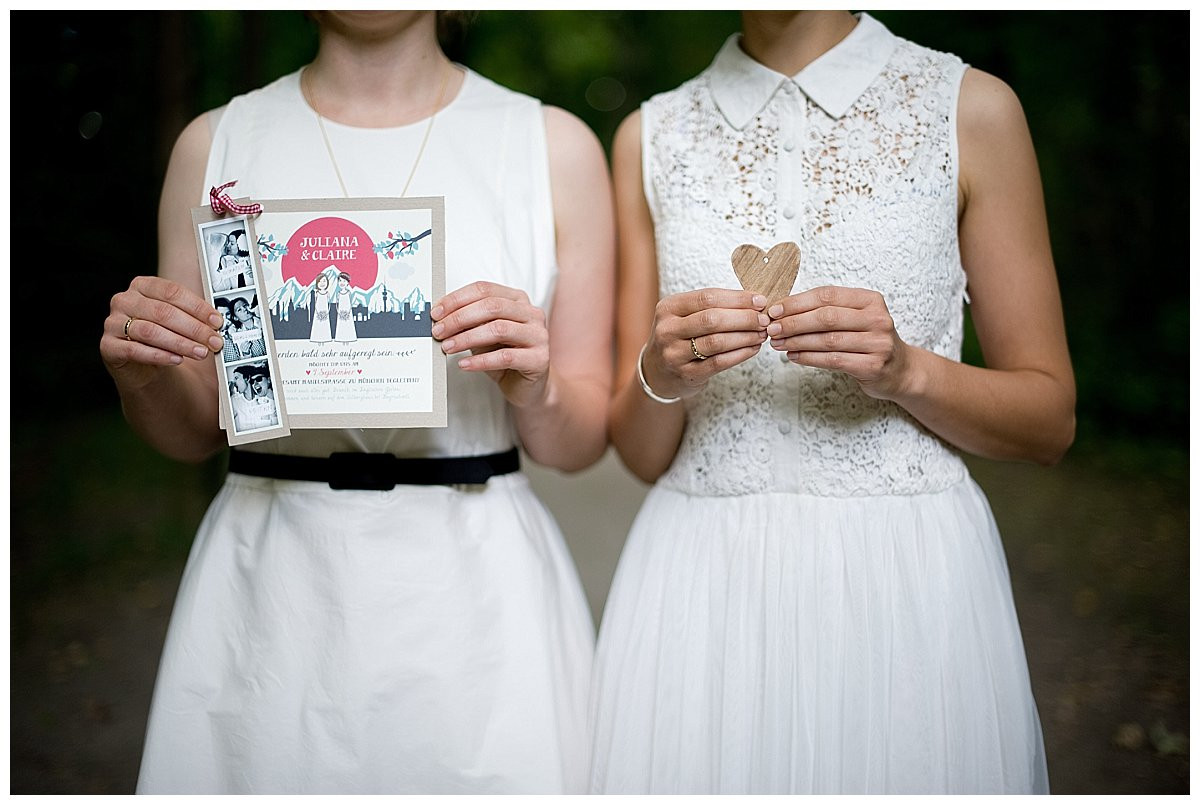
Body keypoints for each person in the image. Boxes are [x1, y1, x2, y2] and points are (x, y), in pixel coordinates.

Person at [99, 10, 614, 794]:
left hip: (476, 596)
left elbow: (577, 443)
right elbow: (195, 426)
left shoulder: (550, 145)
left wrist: (535, 382)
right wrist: (145, 371)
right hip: (269, 587)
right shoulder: (218, 143)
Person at [589, 11, 1074, 795]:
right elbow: (641, 452)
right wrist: (665, 371)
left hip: (905, 582)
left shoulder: (970, 107)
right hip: (701, 590)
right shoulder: (652, 135)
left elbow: (1049, 421)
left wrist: (907, 370)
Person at [332, 271, 358, 343]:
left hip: (348, 313)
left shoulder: (349, 293)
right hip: (340, 313)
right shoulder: (338, 293)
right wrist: (339, 312)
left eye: (344, 281)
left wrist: (348, 312)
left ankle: (349, 338)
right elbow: (337, 304)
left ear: (347, 282)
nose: (342, 283)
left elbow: (350, 303)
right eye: (340, 281)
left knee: (348, 324)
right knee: (341, 325)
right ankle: (341, 339)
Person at [309, 271, 334, 343]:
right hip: (318, 312)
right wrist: (317, 312)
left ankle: (325, 338)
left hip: (325, 312)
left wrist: (327, 311)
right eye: (320, 281)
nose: (322, 283)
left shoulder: (327, 293)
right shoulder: (317, 293)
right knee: (318, 324)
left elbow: (329, 303)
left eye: (324, 281)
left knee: (325, 325)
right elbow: (315, 303)